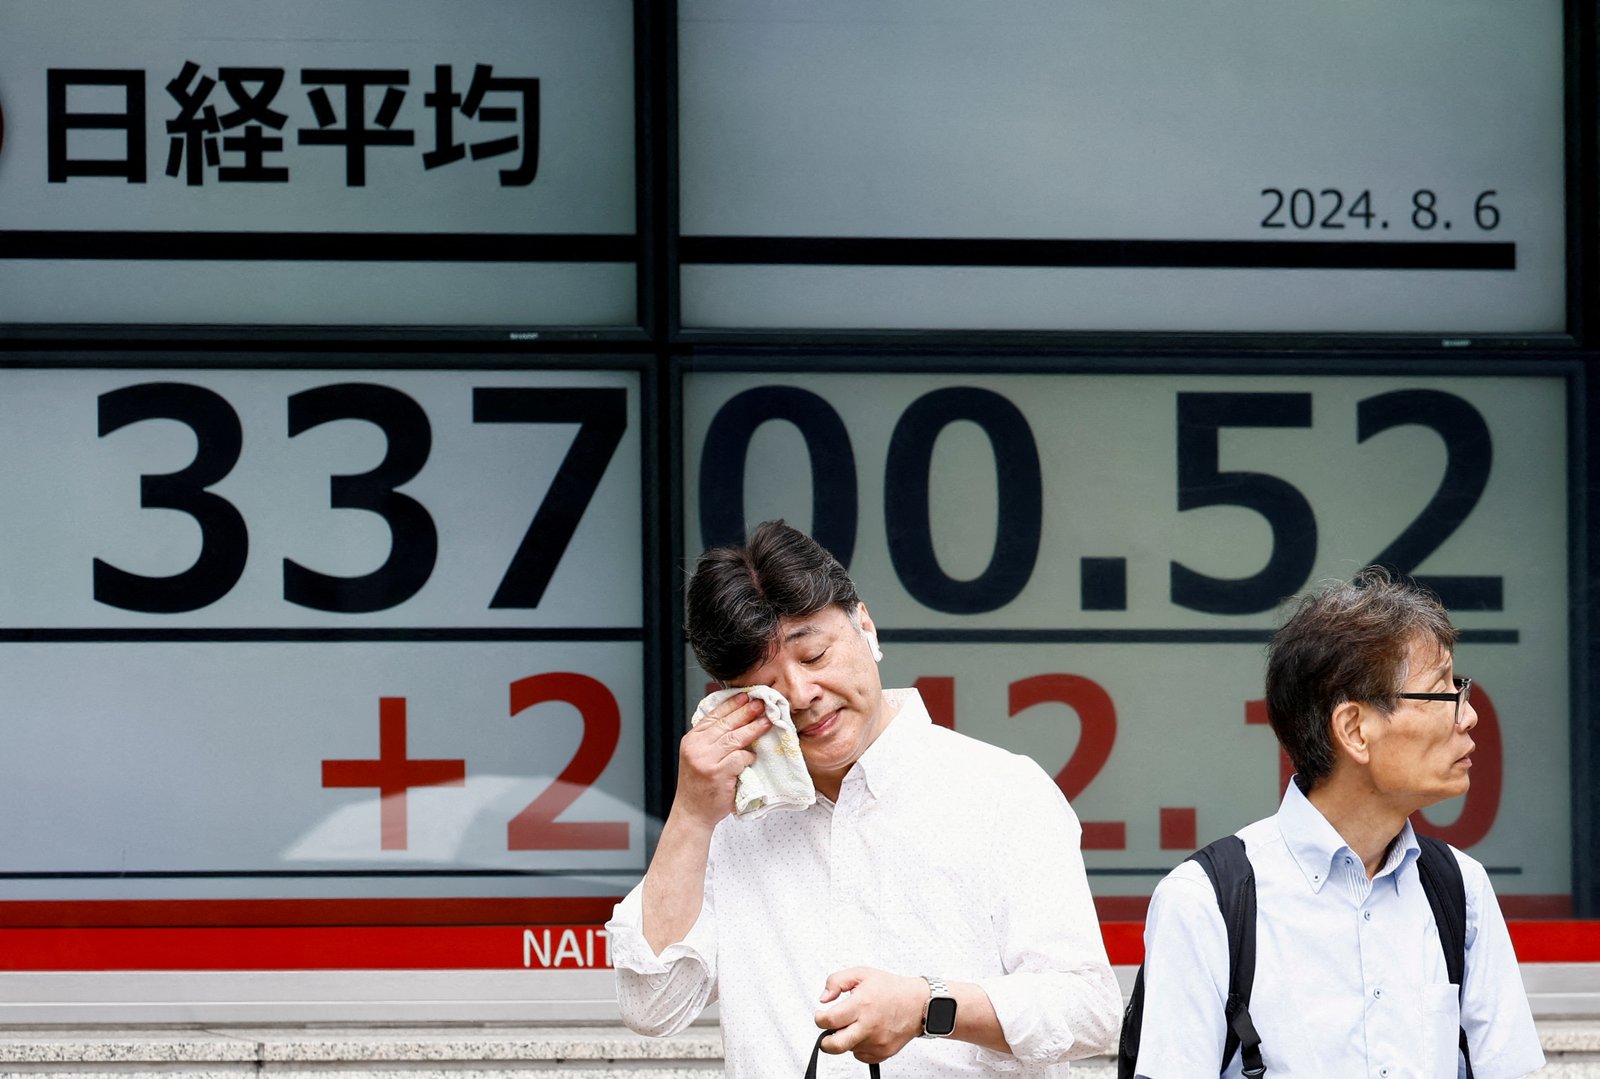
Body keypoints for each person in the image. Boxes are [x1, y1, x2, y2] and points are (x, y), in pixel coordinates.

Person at [607, 520, 1121, 1076]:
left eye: (814, 657)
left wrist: (930, 1006)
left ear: (865, 627)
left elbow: (1090, 1010)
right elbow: (653, 1007)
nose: (801, 696)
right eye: (766, 686)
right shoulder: (727, 823)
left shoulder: (1001, 790)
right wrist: (689, 816)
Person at [1133, 567, 1544, 1079]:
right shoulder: (1208, 900)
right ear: (1354, 729)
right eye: (1444, 691)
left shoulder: (1460, 889)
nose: (1469, 716)